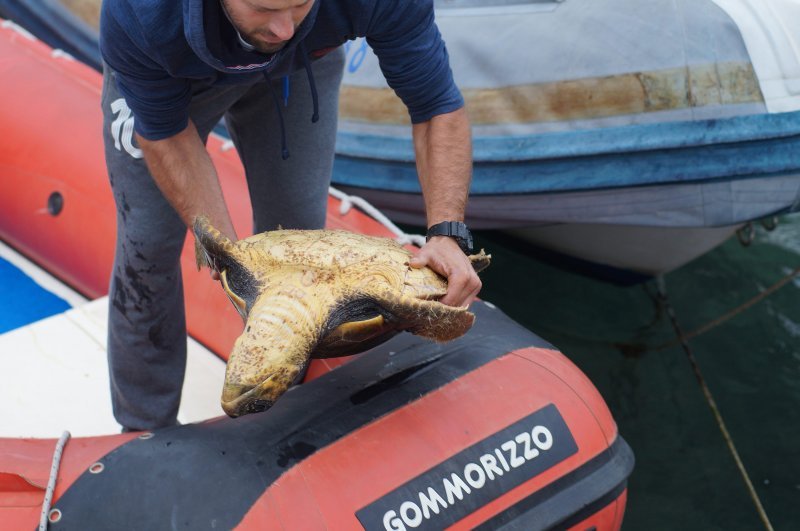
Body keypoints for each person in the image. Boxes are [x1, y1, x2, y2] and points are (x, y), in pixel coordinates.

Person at [99, 0, 482, 431]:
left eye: (300, 4)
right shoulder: (142, 12)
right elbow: (165, 136)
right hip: (175, 77)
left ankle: (285, 404)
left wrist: (447, 232)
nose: (283, 28)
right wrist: (231, 257)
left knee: (302, 239)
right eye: (264, 7)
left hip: (298, 70)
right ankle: (143, 427)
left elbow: (435, 104)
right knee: (146, 250)